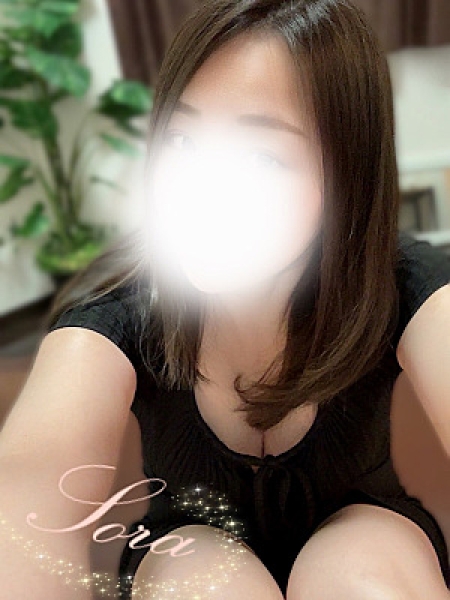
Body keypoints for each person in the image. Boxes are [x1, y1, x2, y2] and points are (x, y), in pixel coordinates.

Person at [1, 0, 450, 599]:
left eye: (262, 156)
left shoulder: (401, 282)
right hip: (185, 549)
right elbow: (24, 510)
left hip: (371, 536)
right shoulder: (117, 309)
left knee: (360, 572)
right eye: (182, 140)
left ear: (346, 175)